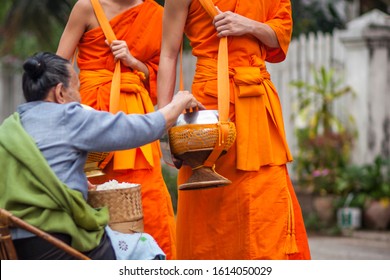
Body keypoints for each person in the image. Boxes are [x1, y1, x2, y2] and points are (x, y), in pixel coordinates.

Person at [0, 52, 203, 260]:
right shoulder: (70, 117)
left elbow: (38, 172)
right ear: (60, 93)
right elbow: (139, 129)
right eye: (77, 88)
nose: (79, 97)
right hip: (61, 244)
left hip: (14, 247)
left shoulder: (10, 127)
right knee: (145, 249)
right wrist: (178, 103)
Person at [157, 0, 312, 259]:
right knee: (209, 206)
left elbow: (281, 35)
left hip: (257, 103)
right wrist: (163, 124)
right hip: (209, 107)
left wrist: (249, 26)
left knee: (268, 202)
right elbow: (168, 54)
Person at [56, 0, 177, 259]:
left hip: (136, 118)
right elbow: (58, 66)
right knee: (91, 192)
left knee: (148, 195)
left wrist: (133, 61)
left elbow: (156, 74)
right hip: (92, 113)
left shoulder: (156, 14)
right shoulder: (87, 7)